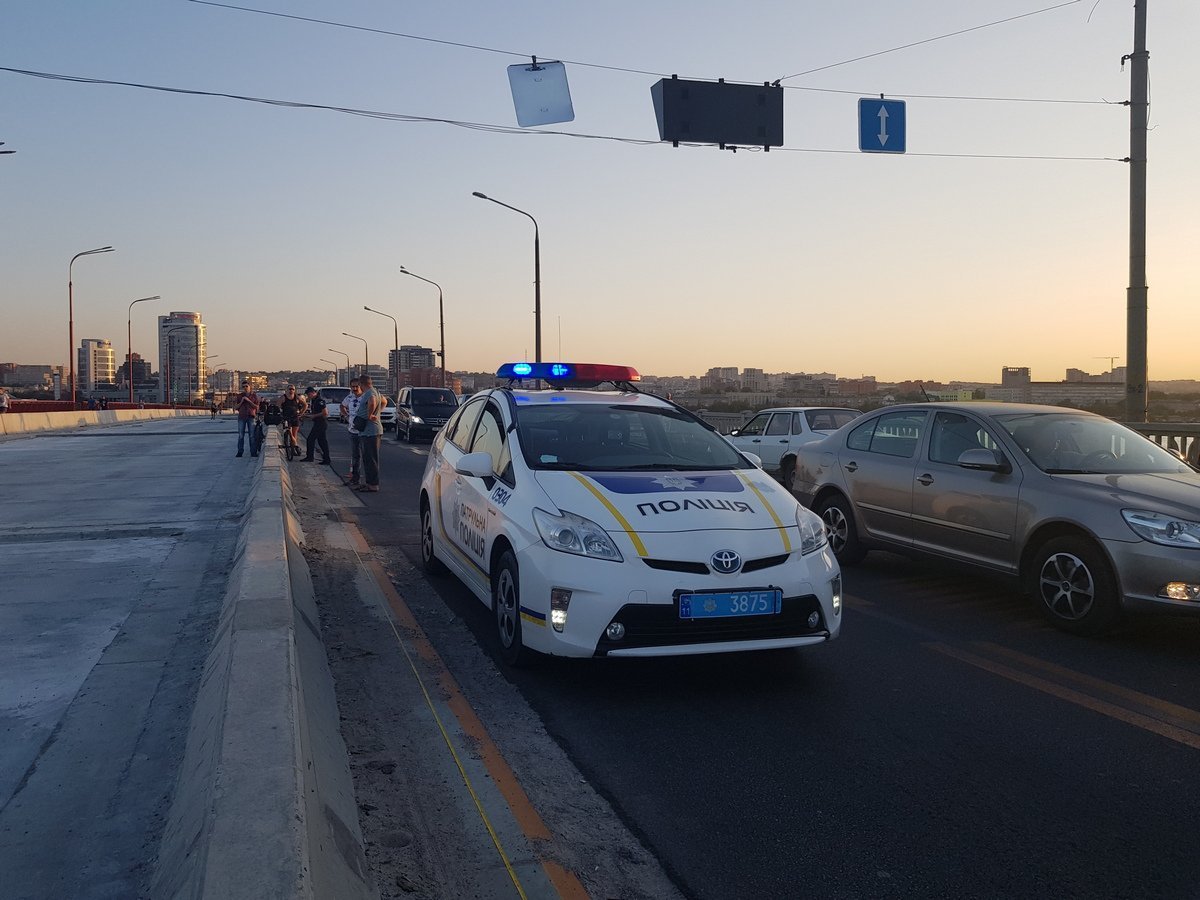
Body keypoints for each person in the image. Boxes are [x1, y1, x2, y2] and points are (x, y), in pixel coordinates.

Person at [356, 374, 383, 492]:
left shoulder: (370, 393)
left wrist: (370, 415)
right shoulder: (375, 391)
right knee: (367, 458)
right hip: (367, 431)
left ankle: (373, 484)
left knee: (371, 459)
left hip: (370, 431)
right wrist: (378, 413)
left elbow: (372, 402)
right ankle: (369, 482)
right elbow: (384, 401)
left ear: (362, 384)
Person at [301, 386, 331, 464]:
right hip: (317, 422)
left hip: (321, 423)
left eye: (309, 394)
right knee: (322, 442)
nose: (308, 396)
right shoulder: (314, 401)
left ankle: (310, 457)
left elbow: (325, 413)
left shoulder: (319, 401)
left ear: (313, 393)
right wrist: (307, 415)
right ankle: (326, 459)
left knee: (311, 439)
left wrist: (313, 416)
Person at [342, 378, 364, 485]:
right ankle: (355, 478)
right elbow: (342, 405)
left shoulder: (365, 397)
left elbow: (383, 401)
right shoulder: (349, 397)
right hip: (352, 430)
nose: (355, 389)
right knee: (355, 456)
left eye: (357, 386)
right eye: (353, 387)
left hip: (364, 431)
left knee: (367, 456)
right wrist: (346, 415)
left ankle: (370, 481)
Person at [234, 381, 260, 458]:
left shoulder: (254, 396)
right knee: (241, 435)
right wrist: (242, 401)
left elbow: (256, 407)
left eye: (246, 386)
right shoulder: (239, 396)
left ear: (249, 386)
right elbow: (236, 407)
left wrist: (249, 401)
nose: (245, 388)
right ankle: (240, 451)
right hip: (242, 416)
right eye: (243, 387)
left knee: (252, 435)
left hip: (251, 416)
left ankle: (253, 452)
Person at [278, 385, 306, 453]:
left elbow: (305, 405)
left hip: (295, 417)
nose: (291, 390)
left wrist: (301, 412)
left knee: (294, 434)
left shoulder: (296, 397)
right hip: (286, 417)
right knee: (289, 432)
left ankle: (293, 449)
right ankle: (296, 446)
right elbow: (278, 406)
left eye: (293, 389)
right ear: (286, 390)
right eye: (290, 389)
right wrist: (280, 414)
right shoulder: (283, 398)